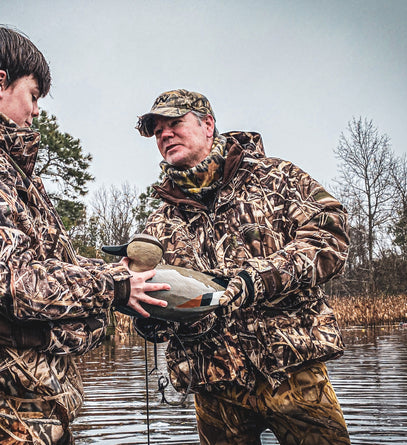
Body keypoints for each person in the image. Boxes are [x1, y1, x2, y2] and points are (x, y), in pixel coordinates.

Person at [0, 25, 167, 445]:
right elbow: (15, 283)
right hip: (3, 397)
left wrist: (115, 275)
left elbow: (36, 264)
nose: (37, 111)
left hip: (17, 390)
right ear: (0, 83)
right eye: (33, 95)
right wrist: (112, 286)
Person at [133, 89, 351, 445]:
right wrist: (150, 315)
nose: (165, 135)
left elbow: (331, 235)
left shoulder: (276, 178)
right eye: (158, 132)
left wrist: (257, 279)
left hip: (292, 371)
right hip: (214, 387)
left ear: (208, 125)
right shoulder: (160, 222)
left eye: (174, 124)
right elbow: (159, 301)